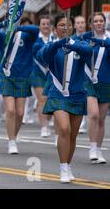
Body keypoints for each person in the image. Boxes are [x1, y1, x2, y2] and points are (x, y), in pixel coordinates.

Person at [38, 14, 92, 183]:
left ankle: (68, 166)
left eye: (67, 25)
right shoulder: (51, 46)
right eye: (61, 25)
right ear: (55, 29)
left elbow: (88, 52)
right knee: (64, 129)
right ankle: (62, 167)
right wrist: (59, 43)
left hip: (77, 94)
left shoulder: (79, 44)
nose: (64, 28)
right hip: (57, 93)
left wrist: (72, 44)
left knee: (73, 135)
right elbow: (43, 55)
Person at [0, 17, 39, 154]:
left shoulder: (27, 37)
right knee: (10, 110)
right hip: (7, 75)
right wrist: (4, 23)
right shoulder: (4, 36)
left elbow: (36, 30)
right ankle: (11, 142)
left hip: (22, 77)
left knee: (20, 113)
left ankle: (13, 137)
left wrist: (18, 27)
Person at [83, 13, 109, 164]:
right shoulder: (87, 38)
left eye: (101, 21)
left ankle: (99, 150)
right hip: (89, 80)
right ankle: (92, 148)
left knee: (101, 119)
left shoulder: (108, 38)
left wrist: (100, 42)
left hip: (105, 82)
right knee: (93, 114)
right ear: (91, 24)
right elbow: (75, 42)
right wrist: (89, 37)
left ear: (105, 23)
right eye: (95, 21)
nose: (98, 23)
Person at [31, 15, 54, 138]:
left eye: (47, 24)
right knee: (42, 99)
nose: (45, 26)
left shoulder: (54, 39)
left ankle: (48, 119)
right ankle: (44, 126)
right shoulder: (35, 40)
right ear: (39, 26)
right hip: (38, 73)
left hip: (52, 74)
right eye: (43, 24)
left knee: (50, 101)